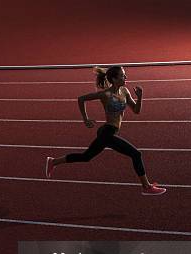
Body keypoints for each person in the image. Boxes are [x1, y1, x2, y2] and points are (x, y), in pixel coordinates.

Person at [45, 66, 166, 195]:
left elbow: (136, 111)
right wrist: (85, 119)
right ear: (114, 79)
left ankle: (53, 161)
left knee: (86, 156)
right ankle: (146, 187)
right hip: (107, 132)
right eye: (122, 75)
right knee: (136, 154)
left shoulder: (125, 91)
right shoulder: (106, 94)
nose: (125, 77)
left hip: (109, 131)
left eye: (124, 75)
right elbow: (81, 99)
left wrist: (140, 97)